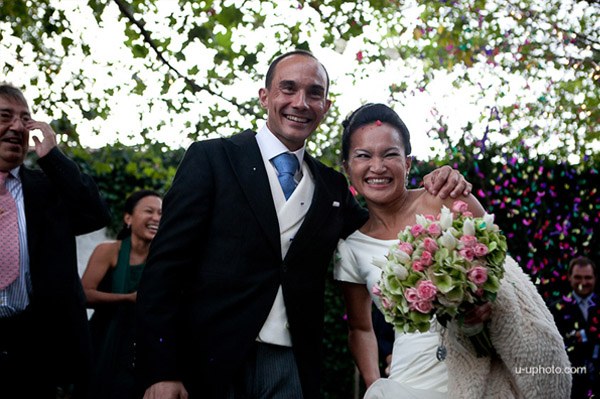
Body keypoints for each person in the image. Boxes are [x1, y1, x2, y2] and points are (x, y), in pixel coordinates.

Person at [135, 50, 471, 399]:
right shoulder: (212, 159)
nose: (301, 102)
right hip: (206, 360)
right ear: (265, 96)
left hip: (292, 367)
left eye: (314, 93)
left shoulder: (332, 187)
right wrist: (161, 369)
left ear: (325, 106)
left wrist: (436, 186)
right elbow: (164, 269)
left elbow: (386, 231)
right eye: (289, 88)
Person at [334, 103, 572, 398]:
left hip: (478, 367)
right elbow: (361, 329)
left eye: (390, 154)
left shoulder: (445, 198)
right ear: (347, 167)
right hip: (408, 378)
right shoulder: (351, 247)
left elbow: (503, 272)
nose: (378, 166)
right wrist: (374, 385)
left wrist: (488, 305)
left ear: (408, 163)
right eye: (363, 156)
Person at [0, 83, 111, 398]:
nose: (17, 127)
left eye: (25, 120)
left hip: (38, 353)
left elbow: (96, 214)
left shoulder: (48, 189)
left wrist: (53, 158)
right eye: (5, 116)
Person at [82, 190, 162, 399]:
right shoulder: (108, 251)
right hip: (102, 342)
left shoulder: (162, 259)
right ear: (128, 218)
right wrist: (127, 298)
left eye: (161, 213)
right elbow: (83, 295)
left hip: (141, 349)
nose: (156, 218)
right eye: (149, 211)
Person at [550, 256, 599, 398]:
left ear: (595, 278)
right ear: (569, 278)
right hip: (570, 383)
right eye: (578, 277)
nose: (583, 282)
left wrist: (583, 335)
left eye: (588, 278)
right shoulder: (556, 309)